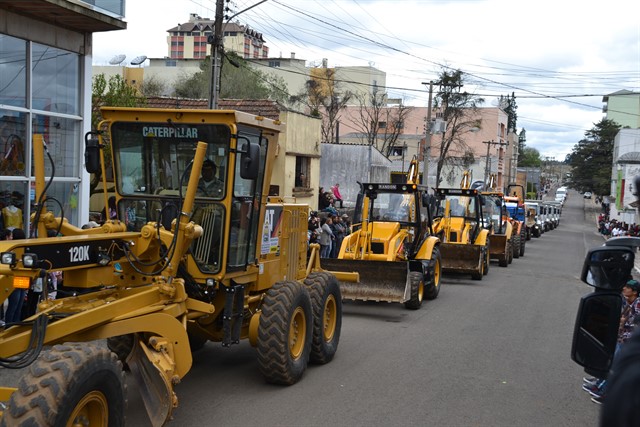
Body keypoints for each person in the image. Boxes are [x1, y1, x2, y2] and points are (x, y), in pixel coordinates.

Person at [583, 279, 640, 404]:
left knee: (615, 367)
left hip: (627, 342)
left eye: (627, 287)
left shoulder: (638, 305)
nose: (624, 288)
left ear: (634, 292)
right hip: (621, 338)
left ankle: (606, 392)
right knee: (610, 362)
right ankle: (600, 383)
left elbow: (636, 326)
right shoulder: (629, 301)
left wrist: (625, 324)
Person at [4, 228, 26, 324]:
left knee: (16, 305)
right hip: (19, 279)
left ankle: (13, 324)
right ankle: (10, 325)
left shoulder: (15, 248)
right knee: (16, 306)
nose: (11, 238)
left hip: (18, 279)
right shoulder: (22, 248)